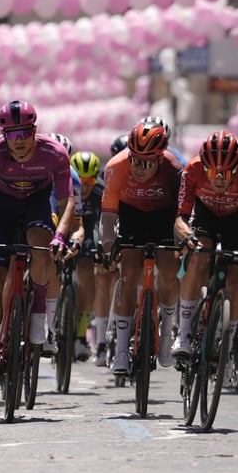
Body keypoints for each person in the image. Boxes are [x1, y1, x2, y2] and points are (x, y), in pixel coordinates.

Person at [0, 101, 74, 399]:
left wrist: (61, 236)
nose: (19, 142)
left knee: (41, 247)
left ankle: (39, 312)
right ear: (3, 136)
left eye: (24, 134)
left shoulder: (55, 153)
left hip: (36, 202)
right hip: (1, 207)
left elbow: (67, 204)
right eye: (11, 136)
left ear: (34, 131)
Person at [172, 131, 238, 363]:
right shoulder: (192, 169)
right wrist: (187, 236)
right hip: (205, 215)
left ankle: (228, 342)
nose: (219, 179)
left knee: (236, 279)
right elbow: (180, 219)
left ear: (237, 168)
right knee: (199, 258)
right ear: (204, 167)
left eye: (226, 173)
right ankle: (183, 333)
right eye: (213, 173)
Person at [99, 120, 183, 376]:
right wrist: (108, 246)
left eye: (146, 163)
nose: (138, 168)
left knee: (169, 270)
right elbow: (109, 215)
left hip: (164, 215)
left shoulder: (174, 169)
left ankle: (167, 332)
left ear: (160, 159)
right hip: (131, 213)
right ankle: (122, 350)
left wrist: (182, 245)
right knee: (129, 274)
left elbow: (183, 215)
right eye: (134, 160)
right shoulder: (116, 167)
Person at [68, 151, 108, 364]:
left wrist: (102, 246)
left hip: (89, 231)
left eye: (89, 182)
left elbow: (104, 222)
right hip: (65, 230)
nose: (84, 187)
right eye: (80, 182)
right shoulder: (64, 185)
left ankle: (81, 335)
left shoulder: (100, 191)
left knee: (86, 272)